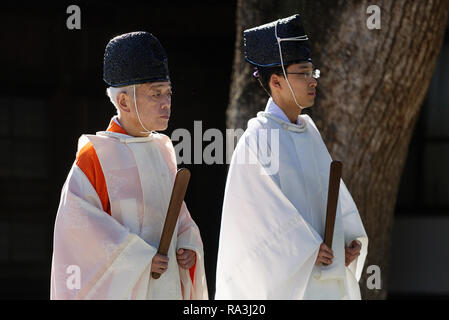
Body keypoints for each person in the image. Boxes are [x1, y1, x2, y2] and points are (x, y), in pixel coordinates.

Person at [215, 14, 368, 300]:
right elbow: (255, 225)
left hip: (324, 274)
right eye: (302, 73)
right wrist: (307, 248)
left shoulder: (309, 132)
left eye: (313, 73)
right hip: (287, 283)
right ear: (277, 81)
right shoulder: (256, 140)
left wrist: (348, 240)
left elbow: (331, 198)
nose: (312, 81)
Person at [51, 31, 208, 300]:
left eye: (168, 93)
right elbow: (79, 237)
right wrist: (140, 258)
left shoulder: (162, 150)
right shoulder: (95, 157)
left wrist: (188, 245)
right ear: (124, 101)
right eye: (155, 94)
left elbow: (179, 217)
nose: (166, 103)